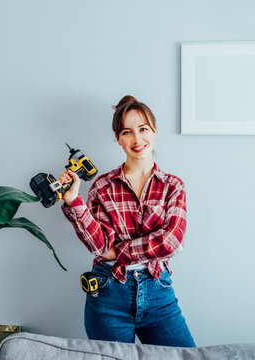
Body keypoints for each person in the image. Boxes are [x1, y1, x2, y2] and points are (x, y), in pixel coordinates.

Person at [59, 95, 195, 347]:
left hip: (158, 291)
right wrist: (74, 201)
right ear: (118, 138)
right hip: (108, 293)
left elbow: (171, 242)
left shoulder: (173, 186)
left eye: (143, 129)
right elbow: (100, 246)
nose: (137, 139)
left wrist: (118, 251)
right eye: (127, 132)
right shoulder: (102, 186)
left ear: (154, 131)